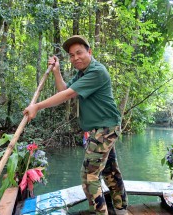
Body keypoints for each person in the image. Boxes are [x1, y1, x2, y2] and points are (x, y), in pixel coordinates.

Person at [23, 35, 128, 215]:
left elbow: (66, 95)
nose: (75, 58)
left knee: (89, 176)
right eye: (71, 55)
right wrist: (57, 71)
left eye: (79, 53)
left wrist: (37, 106)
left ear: (89, 51)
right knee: (110, 171)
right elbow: (63, 90)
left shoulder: (97, 71)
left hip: (105, 129)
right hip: (101, 129)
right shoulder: (82, 73)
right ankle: (121, 210)